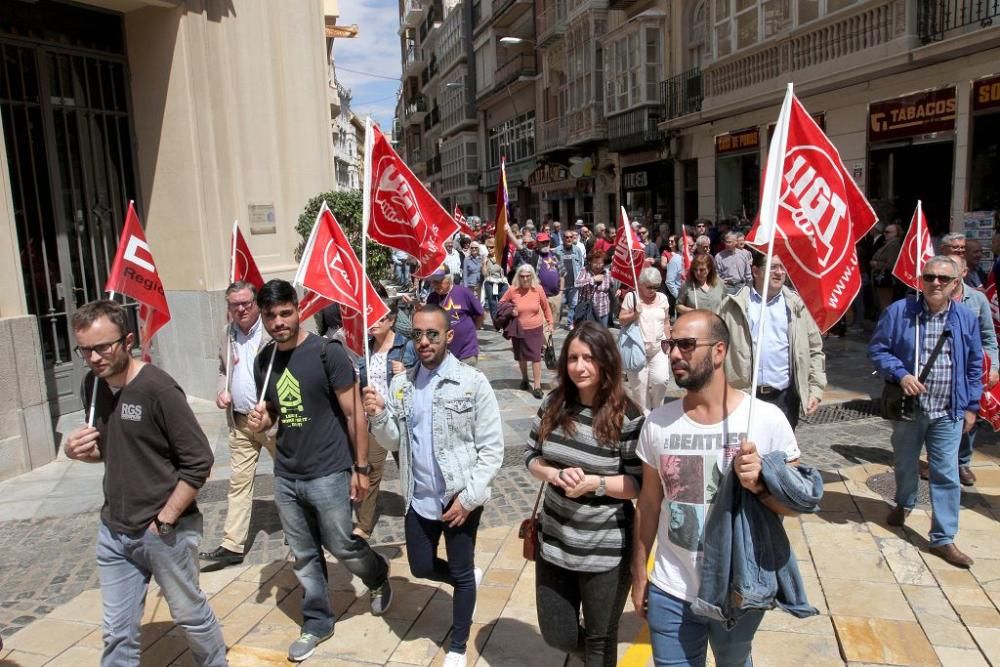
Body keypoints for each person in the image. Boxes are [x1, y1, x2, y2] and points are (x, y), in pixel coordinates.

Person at [632, 310, 802, 667]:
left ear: (720, 352)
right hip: (671, 588)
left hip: (738, 589)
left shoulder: (766, 421)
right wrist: (639, 574)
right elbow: (648, 505)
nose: (674, 354)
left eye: (686, 345)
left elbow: (794, 506)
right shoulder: (657, 424)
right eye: (670, 345)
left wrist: (760, 485)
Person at [63, 300, 226, 666]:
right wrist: (75, 451)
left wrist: (165, 519)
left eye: (103, 347)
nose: (93, 358)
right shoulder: (93, 386)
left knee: (189, 615)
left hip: (164, 531)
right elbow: (112, 449)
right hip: (114, 530)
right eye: (85, 349)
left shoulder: (159, 390)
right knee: (117, 631)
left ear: (128, 341)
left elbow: (199, 461)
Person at [247, 280, 392, 661]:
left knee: (342, 544)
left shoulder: (327, 352)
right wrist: (265, 420)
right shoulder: (265, 361)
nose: (278, 322)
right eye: (270, 316)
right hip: (286, 473)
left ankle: (377, 574)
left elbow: (353, 412)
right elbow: (279, 410)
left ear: (298, 310)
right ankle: (317, 620)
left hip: (328, 470)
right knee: (303, 554)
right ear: (262, 317)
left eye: (284, 313)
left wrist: (359, 468)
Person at [363, 305, 505, 667]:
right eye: (418, 335)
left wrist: (470, 498)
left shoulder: (472, 383)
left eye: (432, 334)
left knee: (459, 573)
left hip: (459, 498)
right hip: (419, 496)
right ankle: (466, 580)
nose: (424, 342)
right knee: (421, 567)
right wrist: (378, 414)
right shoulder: (402, 384)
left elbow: (492, 449)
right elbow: (395, 441)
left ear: (448, 337)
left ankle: (458, 643)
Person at [525, 322, 644, 665]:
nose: (580, 366)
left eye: (589, 358)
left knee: (599, 640)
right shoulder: (554, 402)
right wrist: (553, 473)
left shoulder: (629, 416)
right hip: (555, 541)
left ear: (606, 360)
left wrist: (596, 483)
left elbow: (637, 484)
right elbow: (531, 455)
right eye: (573, 357)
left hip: (604, 550)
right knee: (556, 633)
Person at [869, 256, 982, 568]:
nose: (935, 283)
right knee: (905, 464)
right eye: (929, 276)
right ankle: (904, 501)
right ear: (921, 280)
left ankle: (943, 538)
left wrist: (972, 406)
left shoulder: (964, 318)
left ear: (956, 284)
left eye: (943, 279)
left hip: (948, 409)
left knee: (945, 472)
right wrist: (901, 374)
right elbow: (878, 349)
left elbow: (975, 365)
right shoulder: (899, 312)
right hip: (909, 410)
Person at [201, 281, 277, 567]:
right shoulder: (227, 334)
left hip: (272, 422)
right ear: (228, 308)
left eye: (246, 303)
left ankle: (299, 535)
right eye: (235, 305)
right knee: (239, 483)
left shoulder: (271, 332)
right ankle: (232, 545)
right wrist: (222, 390)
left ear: (256, 303)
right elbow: (224, 368)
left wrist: (270, 407)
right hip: (241, 422)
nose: (242, 309)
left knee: (289, 479)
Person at [718, 253, 826, 431]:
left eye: (783, 267)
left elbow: (814, 349)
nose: (779, 272)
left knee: (781, 455)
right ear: (755, 271)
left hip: (784, 398)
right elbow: (716, 351)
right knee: (745, 455)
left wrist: (815, 389)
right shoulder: (732, 306)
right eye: (772, 267)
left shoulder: (796, 305)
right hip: (744, 397)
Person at [355, 289, 418, 539]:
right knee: (371, 473)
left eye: (379, 319)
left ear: (391, 320)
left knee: (411, 469)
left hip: (400, 419)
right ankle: (364, 525)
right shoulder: (365, 351)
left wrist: (406, 371)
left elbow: (422, 379)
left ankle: (418, 516)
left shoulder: (407, 347)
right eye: (370, 320)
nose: (373, 325)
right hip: (374, 420)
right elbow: (359, 382)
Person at [619, 268, 672, 412]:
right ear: (640, 284)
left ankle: (658, 411)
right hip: (637, 348)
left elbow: (666, 321)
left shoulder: (663, 298)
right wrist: (635, 314)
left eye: (656, 287)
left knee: (661, 380)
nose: (653, 290)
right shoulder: (632, 297)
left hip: (658, 347)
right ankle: (645, 418)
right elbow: (621, 320)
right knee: (640, 389)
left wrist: (669, 343)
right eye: (649, 287)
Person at [501, 263, 555, 398]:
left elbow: (546, 306)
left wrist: (550, 322)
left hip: (535, 329)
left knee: (536, 357)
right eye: (522, 276)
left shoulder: (538, 289)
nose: (525, 279)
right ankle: (525, 379)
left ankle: (537, 386)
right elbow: (501, 303)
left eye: (528, 276)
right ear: (519, 277)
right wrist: (510, 310)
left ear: (532, 276)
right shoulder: (513, 290)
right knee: (521, 356)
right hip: (518, 329)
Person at [426, 270, 486, 364]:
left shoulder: (463, 292)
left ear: (449, 279)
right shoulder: (432, 298)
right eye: (432, 282)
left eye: (438, 281)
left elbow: (480, 314)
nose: (435, 285)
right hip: (443, 354)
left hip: (466, 351)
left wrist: (472, 329)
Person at [556, 229, 586, 328]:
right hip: (561, 284)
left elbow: (581, 265)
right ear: (563, 238)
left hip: (574, 283)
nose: (569, 239)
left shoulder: (577, 250)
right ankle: (557, 322)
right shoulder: (558, 250)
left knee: (573, 304)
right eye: (567, 237)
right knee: (560, 304)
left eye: (571, 237)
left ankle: (570, 323)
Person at [575, 250, 612, 327]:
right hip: (588, 310)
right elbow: (576, 284)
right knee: (588, 335)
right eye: (595, 263)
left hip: (603, 310)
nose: (598, 266)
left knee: (602, 335)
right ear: (590, 262)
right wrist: (593, 279)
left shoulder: (607, 273)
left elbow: (612, 285)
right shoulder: (585, 270)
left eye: (600, 263)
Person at [870, 223, 902, 310]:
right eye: (884, 232)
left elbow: (891, 264)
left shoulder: (894, 244)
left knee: (886, 304)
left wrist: (876, 264)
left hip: (886, 280)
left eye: (888, 232)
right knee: (882, 303)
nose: (884, 234)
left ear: (896, 233)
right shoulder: (887, 244)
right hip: (881, 279)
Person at [535, 232, 565, 326]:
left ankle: (549, 340)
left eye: (547, 242)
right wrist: (509, 232)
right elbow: (521, 249)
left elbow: (562, 274)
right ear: (537, 243)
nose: (545, 244)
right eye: (542, 242)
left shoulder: (556, 256)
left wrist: (561, 292)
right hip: (540, 297)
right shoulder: (534, 256)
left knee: (553, 325)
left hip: (555, 297)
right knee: (541, 325)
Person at [481, 238, 509, 324]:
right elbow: (484, 274)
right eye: (488, 247)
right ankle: (496, 323)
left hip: (501, 282)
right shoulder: (485, 258)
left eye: (492, 247)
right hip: (490, 282)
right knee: (492, 304)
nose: (489, 249)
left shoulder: (501, 257)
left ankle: (503, 321)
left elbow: (507, 270)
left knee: (503, 303)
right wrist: (484, 264)